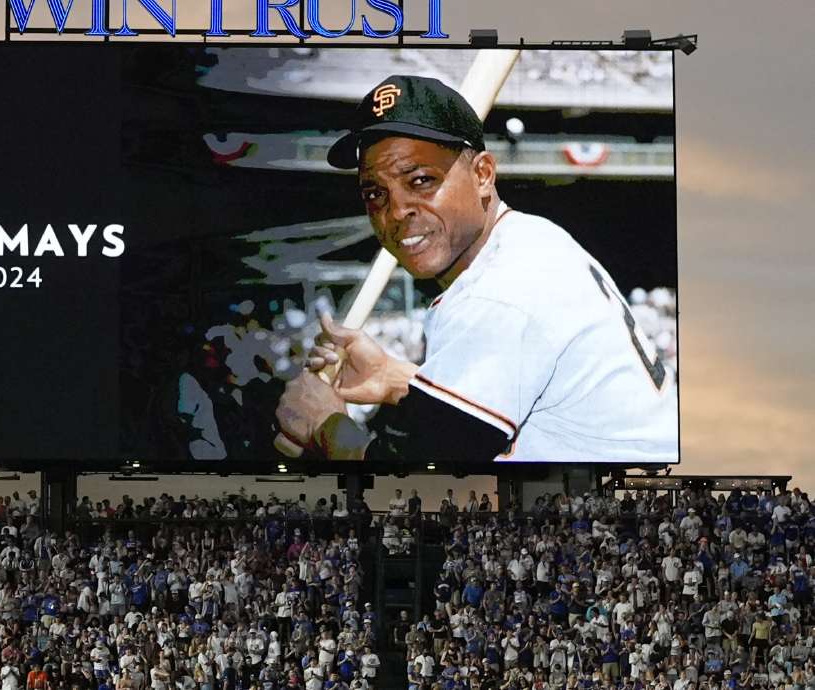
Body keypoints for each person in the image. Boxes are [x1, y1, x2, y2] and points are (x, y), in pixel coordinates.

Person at [275, 74, 678, 464]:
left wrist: (323, 424)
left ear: (483, 174)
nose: (395, 212)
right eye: (375, 193)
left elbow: (411, 485)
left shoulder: (500, 291)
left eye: (420, 180)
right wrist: (394, 378)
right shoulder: (530, 237)